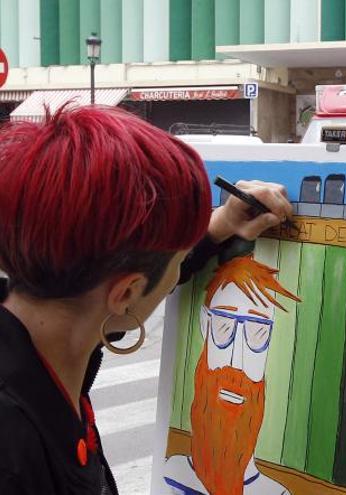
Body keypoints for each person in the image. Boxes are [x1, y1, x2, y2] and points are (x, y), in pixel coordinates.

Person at [0, 106, 293, 494]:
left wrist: (222, 226)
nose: (179, 272)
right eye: (177, 259)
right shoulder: (14, 449)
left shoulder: (48, 327)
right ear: (125, 295)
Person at [164, 250, 298, 495]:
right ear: (205, 324)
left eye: (257, 333)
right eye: (224, 327)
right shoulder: (171, 475)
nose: (237, 360)